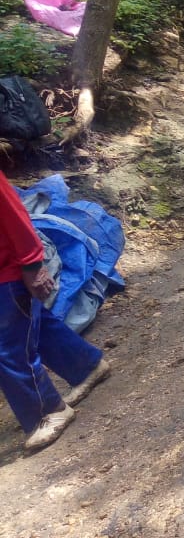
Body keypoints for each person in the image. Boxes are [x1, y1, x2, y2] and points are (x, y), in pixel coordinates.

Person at [0, 171, 111, 451]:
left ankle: (47, 411)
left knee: (8, 347)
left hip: (7, 272)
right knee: (33, 324)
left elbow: (12, 211)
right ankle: (85, 366)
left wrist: (32, 264)